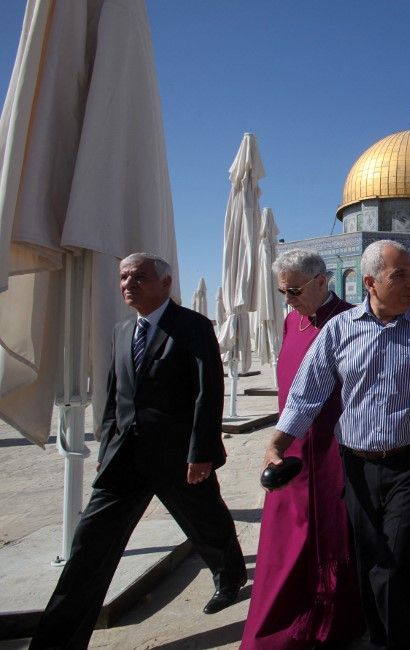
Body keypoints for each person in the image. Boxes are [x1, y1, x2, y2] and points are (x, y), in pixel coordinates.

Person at [31, 253, 245, 649]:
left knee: (206, 523)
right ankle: (56, 640)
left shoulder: (192, 327)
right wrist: (106, 443)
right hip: (123, 461)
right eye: (123, 277)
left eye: (139, 277)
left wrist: (202, 452)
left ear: (164, 283)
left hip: (179, 458)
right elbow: (114, 396)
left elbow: (207, 392)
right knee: (89, 549)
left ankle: (228, 574)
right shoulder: (121, 330)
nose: (129, 283)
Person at [262, 239, 410, 650]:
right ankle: (381, 639)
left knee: (399, 561)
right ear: (369, 282)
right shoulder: (339, 330)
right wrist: (278, 443)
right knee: (370, 560)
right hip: (357, 467)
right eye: (399, 275)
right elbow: (307, 394)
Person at [241, 250, 364, 648]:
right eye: (282, 292)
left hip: (334, 450)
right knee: (288, 541)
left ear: (321, 281)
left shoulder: (352, 321)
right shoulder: (291, 322)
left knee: (335, 535)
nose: (288, 299)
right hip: (293, 453)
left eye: (293, 290)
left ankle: (335, 620)